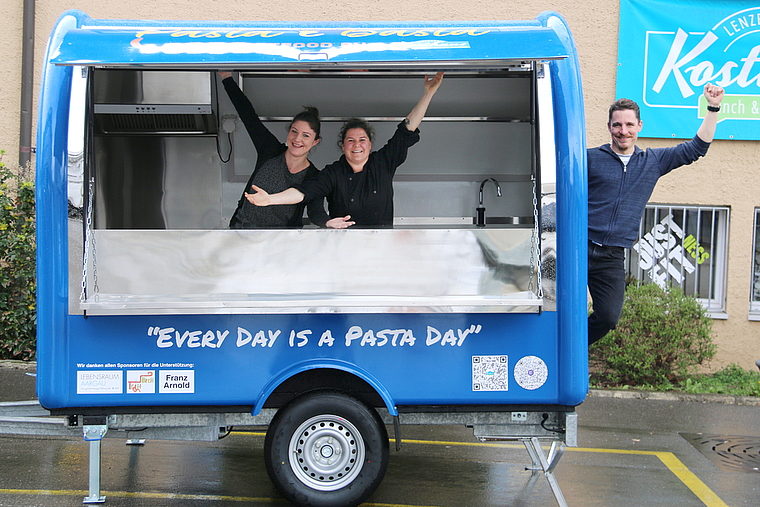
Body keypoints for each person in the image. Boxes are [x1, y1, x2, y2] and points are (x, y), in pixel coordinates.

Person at [587, 83, 725, 346]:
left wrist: (713, 108)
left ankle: (572, 350)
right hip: (579, 246)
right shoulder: (590, 158)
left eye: (629, 125)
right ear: (609, 127)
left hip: (612, 255)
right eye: (617, 125)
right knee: (559, 308)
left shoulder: (653, 161)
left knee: (608, 317)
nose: (623, 131)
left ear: (640, 126)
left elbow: (697, 148)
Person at [246, 72, 445, 228]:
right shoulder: (332, 173)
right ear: (343, 146)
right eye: (350, 140)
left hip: (382, 245)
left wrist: (429, 93)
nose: (356, 145)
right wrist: (271, 200)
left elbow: (407, 129)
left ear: (369, 144)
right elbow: (303, 193)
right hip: (343, 246)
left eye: (362, 140)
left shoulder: (383, 162)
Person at [219, 71, 342, 229]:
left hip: (280, 241)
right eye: (294, 131)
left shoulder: (314, 176)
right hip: (242, 231)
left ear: (315, 142)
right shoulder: (270, 150)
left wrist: (326, 222)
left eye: (305, 135)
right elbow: (247, 115)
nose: (297, 139)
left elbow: (315, 211)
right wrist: (226, 78)